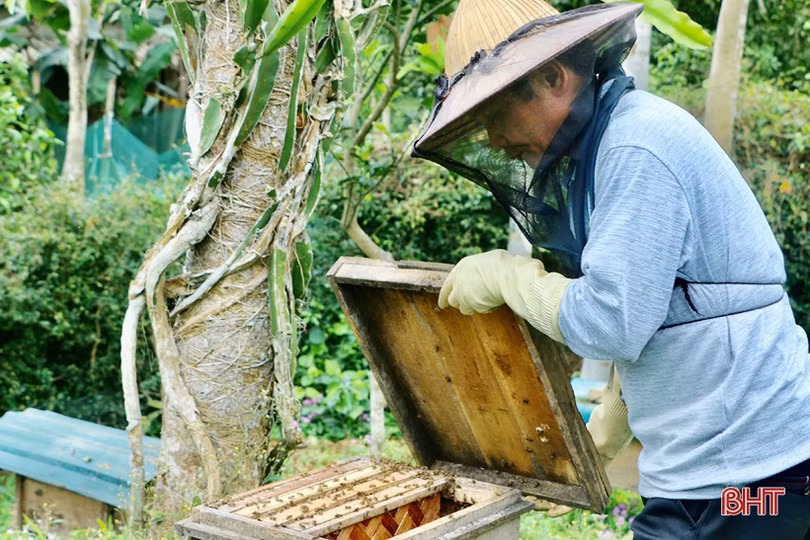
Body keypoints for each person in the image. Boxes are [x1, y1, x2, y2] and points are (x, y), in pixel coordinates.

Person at [411, 0, 810, 537]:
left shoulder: (637, 145)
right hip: (693, 483)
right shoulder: (606, 153)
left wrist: (513, 277)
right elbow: (660, 318)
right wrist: (604, 439)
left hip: (760, 488)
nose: (496, 141)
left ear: (554, 77)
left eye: (496, 114)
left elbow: (613, 320)